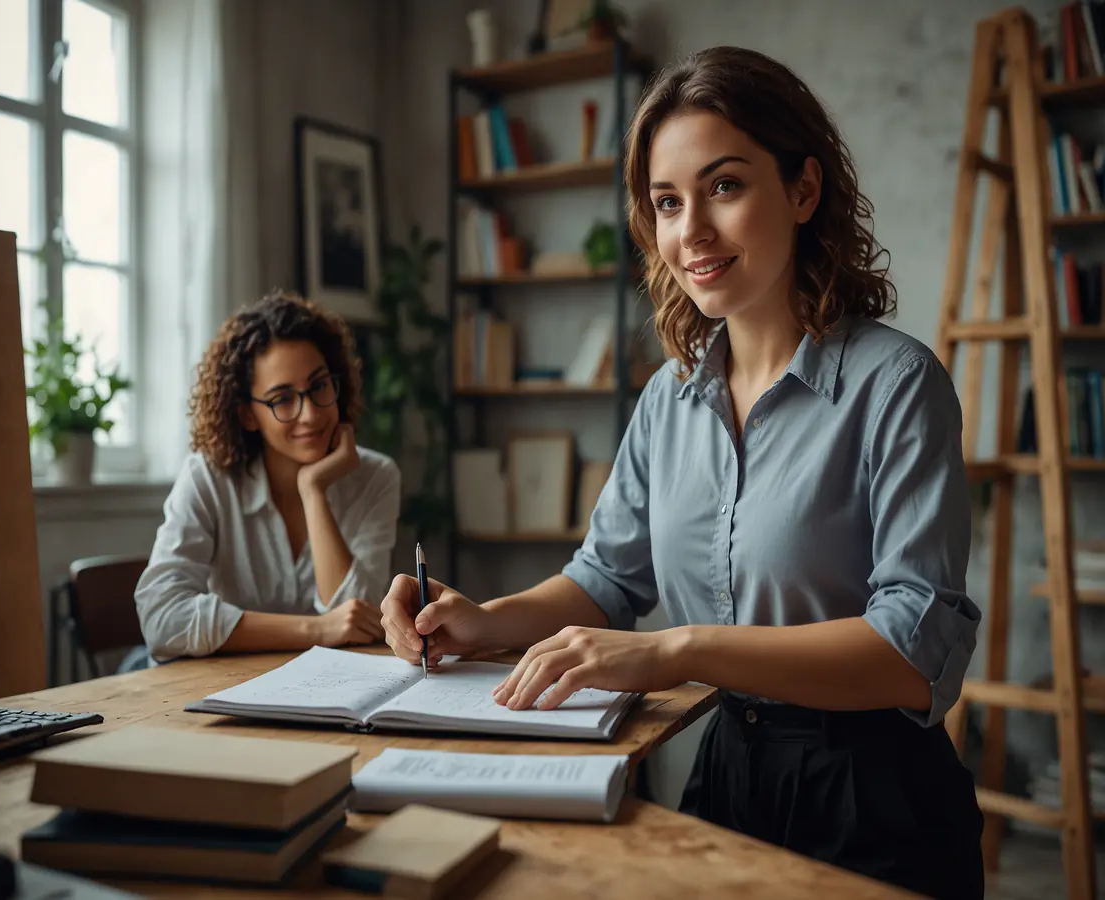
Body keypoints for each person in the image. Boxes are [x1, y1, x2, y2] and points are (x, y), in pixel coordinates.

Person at [379, 46, 984, 900]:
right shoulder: (670, 398)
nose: (690, 230)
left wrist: (674, 651)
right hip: (720, 772)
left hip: (872, 796)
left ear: (804, 191)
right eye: (667, 202)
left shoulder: (897, 384)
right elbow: (604, 579)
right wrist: (481, 620)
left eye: (724, 186)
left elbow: (910, 653)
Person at [135, 290, 398, 663]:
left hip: (322, 688)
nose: (309, 415)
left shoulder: (375, 477)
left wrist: (313, 490)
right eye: (282, 399)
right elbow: (162, 619)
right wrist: (317, 630)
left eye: (319, 385)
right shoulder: (209, 477)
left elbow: (358, 623)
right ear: (246, 415)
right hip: (210, 686)